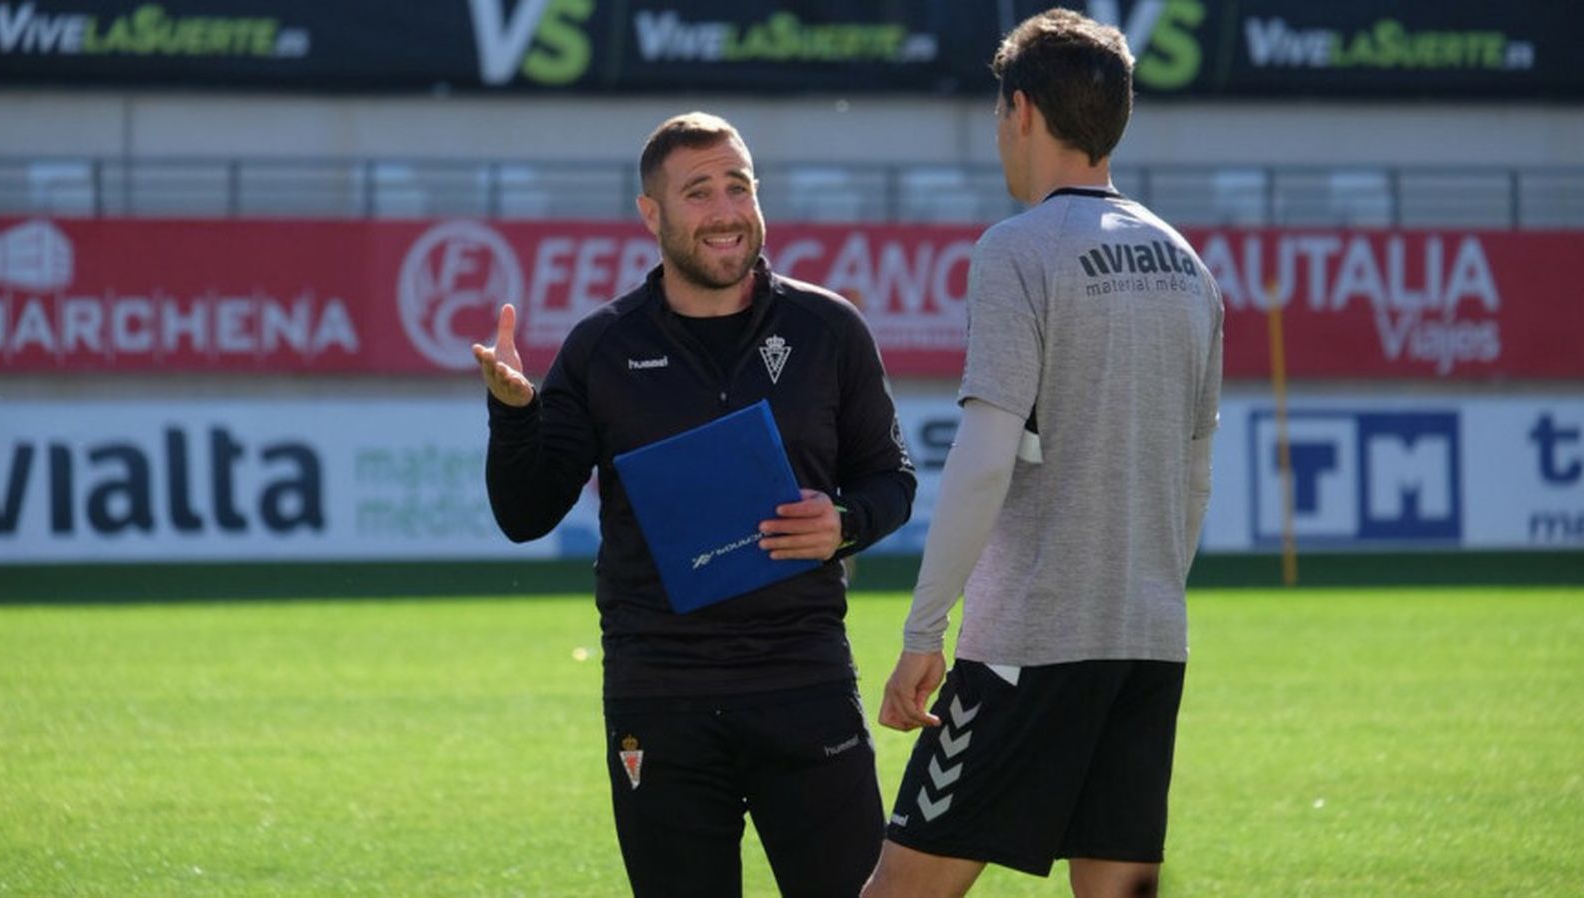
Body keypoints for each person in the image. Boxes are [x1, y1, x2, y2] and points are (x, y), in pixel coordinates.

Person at [472, 111, 916, 898]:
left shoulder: (828, 329)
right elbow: (525, 514)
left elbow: (892, 478)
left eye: (738, 186)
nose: (725, 210)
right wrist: (514, 417)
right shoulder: (601, 348)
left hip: (803, 683)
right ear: (653, 214)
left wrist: (844, 525)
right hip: (660, 696)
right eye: (699, 191)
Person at [862, 9, 1223, 898]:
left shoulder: (1017, 251)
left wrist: (923, 631)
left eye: (996, 114)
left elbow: (984, 459)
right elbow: (1197, 472)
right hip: (1148, 645)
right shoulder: (1189, 265)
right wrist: (1141, 593)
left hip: (1028, 645)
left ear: (1019, 112)